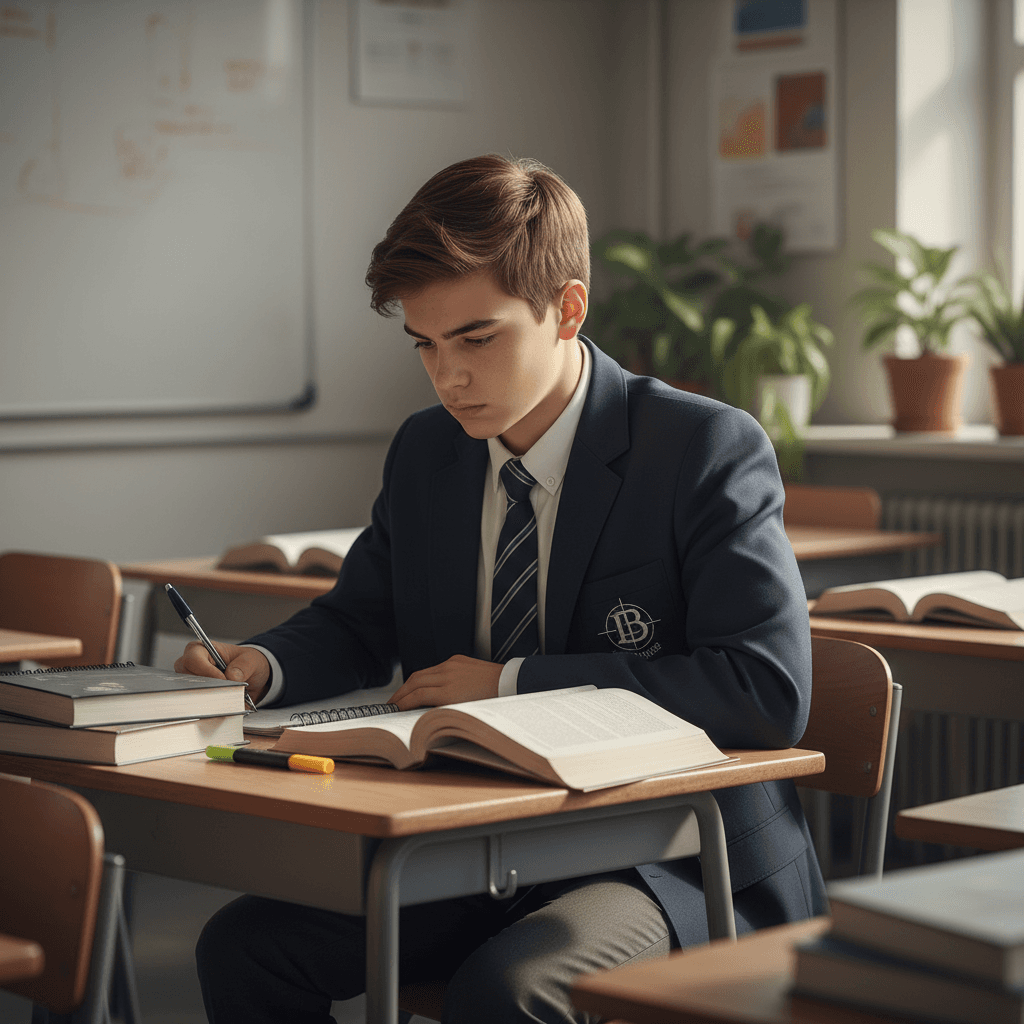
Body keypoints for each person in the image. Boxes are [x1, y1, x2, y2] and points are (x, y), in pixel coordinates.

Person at [180, 154, 826, 1024]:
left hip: (672, 859)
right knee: (245, 948)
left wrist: (510, 686)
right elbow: (361, 619)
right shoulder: (426, 452)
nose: (449, 378)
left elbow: (764, 692)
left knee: (509, 989)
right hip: (482, 841)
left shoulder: (703, 448)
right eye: (426, 345)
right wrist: (259, 664)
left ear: (567, 309)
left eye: (477, 339)